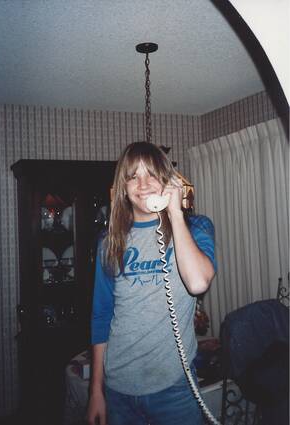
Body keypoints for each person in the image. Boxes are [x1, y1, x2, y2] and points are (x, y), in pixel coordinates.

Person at [87, 141, 216, 425]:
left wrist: (175, 214)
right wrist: (96, 389)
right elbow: (101, 316)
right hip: (118, 388)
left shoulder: (198, 228)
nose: (143, 184)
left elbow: (197, 283)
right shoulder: (109, 243)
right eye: (133, 176)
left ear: (168, 181)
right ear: (123, 186)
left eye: (152, 174)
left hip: (174, 387)